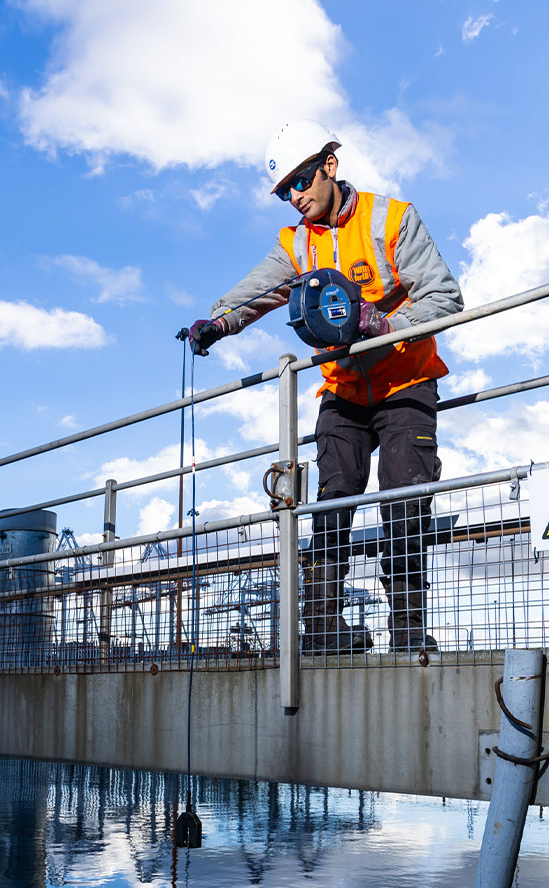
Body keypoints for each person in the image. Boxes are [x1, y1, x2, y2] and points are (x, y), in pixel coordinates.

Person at [185, 120, 463, 653]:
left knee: (404, 499)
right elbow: (257, 292)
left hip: (405, 380)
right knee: (329, 504)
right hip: (344, 392)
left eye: (300, 181)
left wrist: (386, 326)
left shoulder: (393, 219)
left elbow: (445, 296)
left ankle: (408, 633)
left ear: (328, 167)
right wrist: (217, 323)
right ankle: (323, 634)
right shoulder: (295, 244)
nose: (294, 196)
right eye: (284, 189)